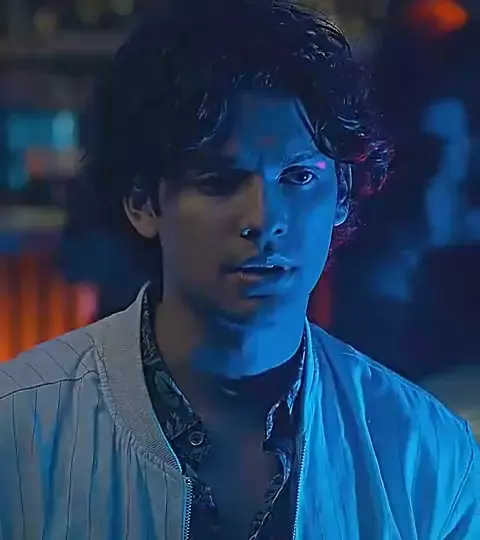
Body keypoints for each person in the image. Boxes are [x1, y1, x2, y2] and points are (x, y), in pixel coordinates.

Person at [0, 1, 478, 538]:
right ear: (143, 203)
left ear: (341, 195)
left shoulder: (427, 455)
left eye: (298, 177)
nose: (262, 219)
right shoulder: (19, 426)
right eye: (219, 181)